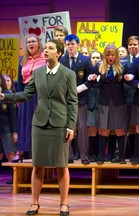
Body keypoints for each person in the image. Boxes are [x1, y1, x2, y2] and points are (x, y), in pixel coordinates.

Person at [0, 39, 78, 215]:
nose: (46, 51)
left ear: (59, 53)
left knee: (61, 166)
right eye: (45, 48)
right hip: (40, 124)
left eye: (50, 48)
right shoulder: (37, 73)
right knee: (38, 165)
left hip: (60, 124)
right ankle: (35, 203)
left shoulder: (68, 74)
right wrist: (5, 96)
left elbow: (72, 102)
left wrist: (71, 126)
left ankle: (64, 203)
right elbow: (25, 94)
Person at [60, 34, 96, 164]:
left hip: (81, 99)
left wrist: (78, 89)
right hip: (64, 100)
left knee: (82, 128)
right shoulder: (61, 60)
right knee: (66, 127)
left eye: (73, 44)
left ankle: (84, 156)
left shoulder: (85, 60)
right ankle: (68, 156)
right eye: (68, 44)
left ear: (78, 45)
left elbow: (92, 79)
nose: (70, 46)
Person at [13, 34, 46, 162]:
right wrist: (18, 97)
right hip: (27, 93)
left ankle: (41, 151)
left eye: (33, 41)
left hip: (40, 93)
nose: (31, 44)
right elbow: (20, 82)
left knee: (40, 122)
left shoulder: (45, 58)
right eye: (28, 42)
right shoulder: (22, 59)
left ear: (38, 43)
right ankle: (20, 151)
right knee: (24, 122)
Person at [95, 44, 129, 164]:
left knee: (119, 129)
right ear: (105, 55)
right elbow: (94, 83)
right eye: (108, 54)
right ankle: (100, 156)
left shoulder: (123, 66)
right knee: (104, 129)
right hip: (104, 101)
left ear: (116, 56)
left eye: (113, 54)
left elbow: (129, 81)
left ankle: (121, 157)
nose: (110, 57)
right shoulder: (99, 66)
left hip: (119, 102)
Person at [88, 51, 102, 162]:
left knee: (102, 130)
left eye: (98, 57)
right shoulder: (87, 71)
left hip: (102, 105)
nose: (95, 59)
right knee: (92, 130)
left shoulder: (105, 72)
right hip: (90, 104)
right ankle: (92, 154)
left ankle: (100, 154)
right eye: (93, 57)